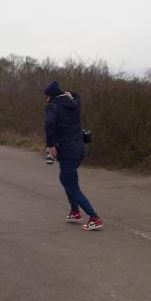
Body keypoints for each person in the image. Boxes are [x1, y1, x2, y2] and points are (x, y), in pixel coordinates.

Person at [44, 80, 103, 231]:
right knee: (65, 179)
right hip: (79, 150)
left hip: (67, 152)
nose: (45, 99)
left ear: (51, 96)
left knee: (72, 185)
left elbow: (49, 123)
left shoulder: (53, 106)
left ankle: (94, 217)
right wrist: (71, 94)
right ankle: (75, 211)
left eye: (46, 96)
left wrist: (50, 145)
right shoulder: (74, 103)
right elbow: (77, 96)